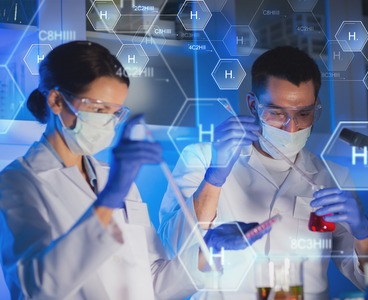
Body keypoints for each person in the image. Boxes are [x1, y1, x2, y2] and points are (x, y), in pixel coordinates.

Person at [0, 41, 268, 300]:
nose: (108, 121)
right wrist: (113, 194)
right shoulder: (16, 183)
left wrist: (210, 249)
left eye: (116, 112)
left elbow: (153, 281)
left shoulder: (113, 178)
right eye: (99, 108)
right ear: (57, 100)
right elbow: (37, 289)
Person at [159, 46, 368, 299]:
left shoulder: (334, 177)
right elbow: (172, 250)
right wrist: (215, 176)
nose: (291, 128)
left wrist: (363, 232)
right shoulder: (201, 158)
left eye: (303, 114)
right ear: (252, 105)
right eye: (277, 113)